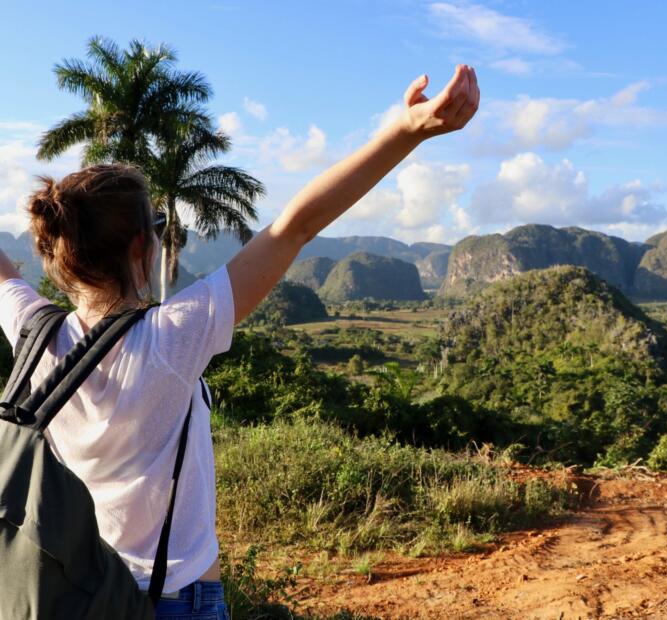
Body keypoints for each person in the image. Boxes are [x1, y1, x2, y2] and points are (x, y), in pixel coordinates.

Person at [0, 64, 478, 619]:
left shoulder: (32, 332)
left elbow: (4, 274)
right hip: (173, 600)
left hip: (74, 593)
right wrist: (407, 130)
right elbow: (296, 225)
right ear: (141, 246)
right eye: (155, 225)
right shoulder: (172, 338)